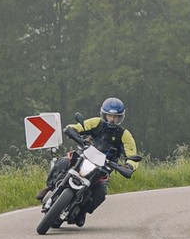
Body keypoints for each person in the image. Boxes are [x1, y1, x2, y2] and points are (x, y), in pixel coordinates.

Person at [36, 97, 139, 226]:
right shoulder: (96, 122)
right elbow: (77, 127)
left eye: (116, 117)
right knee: (63, 162)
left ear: (121, 118)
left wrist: (129, 166)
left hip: (103, 167)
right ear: (104, 114)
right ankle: (50, 187)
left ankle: (82, 211)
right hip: (84, 155)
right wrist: (72, 131)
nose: (112, 119)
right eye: (109, 116)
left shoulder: (124, 134)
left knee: (100, 192)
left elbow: (132, 154)